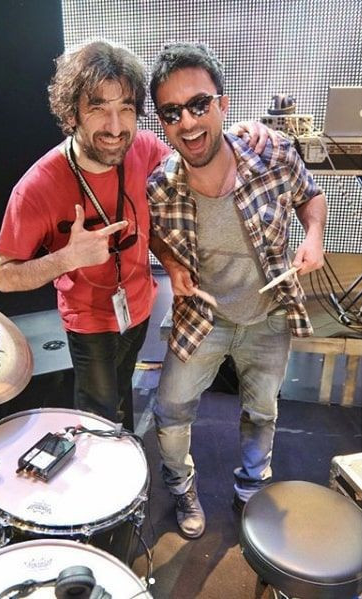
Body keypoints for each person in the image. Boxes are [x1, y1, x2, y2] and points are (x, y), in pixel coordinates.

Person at [0, 40, 274, 432]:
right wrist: (66, 259)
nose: (115, 127)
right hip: (89, 321)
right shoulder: (38, 187)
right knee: (98, 415)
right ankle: (103, 458)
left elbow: (194, 159)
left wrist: (239, 134)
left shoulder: (142, 147)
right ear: (72, 113)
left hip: (139, 306)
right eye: (98, 109)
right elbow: (3, 275)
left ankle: (122, 444)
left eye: (126, 108)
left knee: (122, 394)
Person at [147, 42, 327, 538]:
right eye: (172, 112)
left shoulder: (273, 153)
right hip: (203, 317)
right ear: (162, 122)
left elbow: (310, 196)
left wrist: (313, 235)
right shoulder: (160, 186)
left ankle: (251, 489)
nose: (187, 122)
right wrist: (170, 263)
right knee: (170, 410)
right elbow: (154, 233)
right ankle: (181, 487)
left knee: (262, 410)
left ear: (223, 103)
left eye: (199, 104)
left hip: (269, 313)